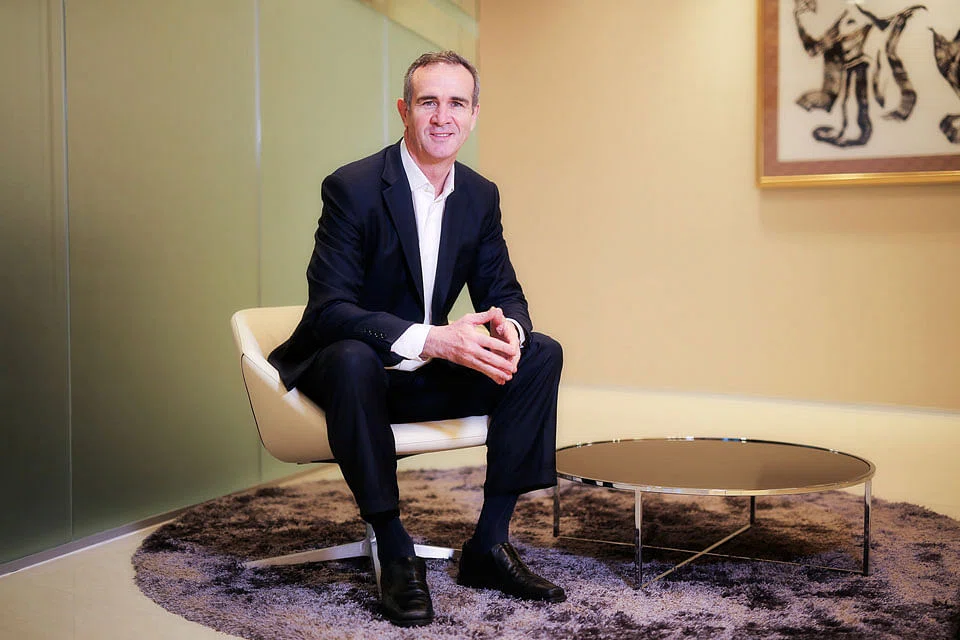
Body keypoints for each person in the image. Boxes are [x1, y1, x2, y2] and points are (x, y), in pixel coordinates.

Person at [268, 50, 564, 627]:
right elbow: (330, 309)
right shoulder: (353, 188)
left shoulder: (479, 195)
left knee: (540, 353)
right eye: (428, 102)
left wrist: (508, 330)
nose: (442, 117)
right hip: (351, 375)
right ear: (404, 111)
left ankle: (490, 544)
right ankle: (394, 546)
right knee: (352, 358)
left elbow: (505, 291)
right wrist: (431, 340)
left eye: (457, 103)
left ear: (473, 115)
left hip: (419, 381)